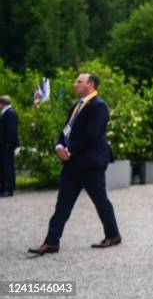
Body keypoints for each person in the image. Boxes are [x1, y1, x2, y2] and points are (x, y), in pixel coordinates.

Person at [28, 74, 121, 255]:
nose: (75, 84)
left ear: (91, 85)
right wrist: (59, 145)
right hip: (72, 164)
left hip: (91, 163)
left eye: (79, 81)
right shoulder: (75, 107)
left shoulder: (99, 106)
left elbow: (91, 134)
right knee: (62, 204)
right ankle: (52, 242)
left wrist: (69, 151)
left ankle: (113, 235)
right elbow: (66, 130)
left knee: (100, 201)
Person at [0, 95, 19, 198]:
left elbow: (11, 131)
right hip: (4, 146)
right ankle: (3, 188)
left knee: (7, 167)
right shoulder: (7, 113)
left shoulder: (10, 113)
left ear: (2, 103)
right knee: (3, 167)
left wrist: (8, 145)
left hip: (6, 146)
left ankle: (9, 188)